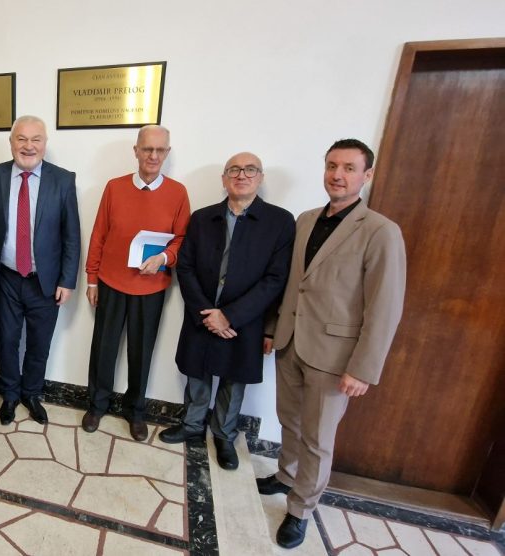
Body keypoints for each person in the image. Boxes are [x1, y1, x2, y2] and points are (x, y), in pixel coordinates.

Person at [258, 139, 406, 549]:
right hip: (291, 341)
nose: (337, 175)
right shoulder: (305, 220)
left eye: (348, 168)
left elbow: (385, 306)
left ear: (367, 175)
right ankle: (286, 475)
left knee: (318, 439)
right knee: (289, 420)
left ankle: (300, 509)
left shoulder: (381, 231)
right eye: (331, 166)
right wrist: (272, 328)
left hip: (335, 357)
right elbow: (293, 284)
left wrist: (363, 368)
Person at [159, 153, 295, 471]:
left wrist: (230, 316)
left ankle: (223, 435)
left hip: (245, 319)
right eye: (234, 170)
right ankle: (192, 424)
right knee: (197, 372)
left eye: (250, 169)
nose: (241, 175)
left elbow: (275, 279)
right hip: (203, 313)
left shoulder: (280, 221)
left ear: (260, 177)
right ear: (224, 179)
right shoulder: (203, 218)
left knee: (234, 380)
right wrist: (206, 313)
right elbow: (186, 267)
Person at [83, 125, 191, 441]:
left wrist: (165, 257)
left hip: (151, 287)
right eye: (147, 149)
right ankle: (97, 405)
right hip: (111, 282)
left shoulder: (178, 193)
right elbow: (99, 233)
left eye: (160, 150)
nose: (153, 156)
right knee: (103, 349)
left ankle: (136, 411)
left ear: (167, 153)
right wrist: (92, 279)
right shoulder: (114, 187)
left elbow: (182, 238)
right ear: (136, 151)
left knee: (141, 353)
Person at [0, 115, 81, 425]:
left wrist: (67, 280)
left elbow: (71, 235)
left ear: (45, 144)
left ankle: (32, 393)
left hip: (45, 281)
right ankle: (9, 394)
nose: (28, 146)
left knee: (39, 343)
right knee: (6, 341)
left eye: (36, 139)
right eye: (21, 139)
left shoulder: (63, 180)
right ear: (11, 143)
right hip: (4, 277)